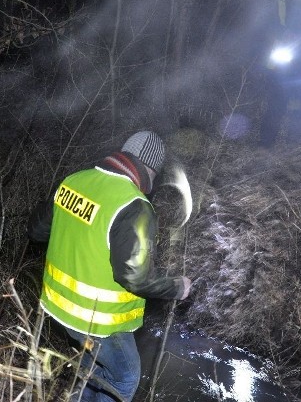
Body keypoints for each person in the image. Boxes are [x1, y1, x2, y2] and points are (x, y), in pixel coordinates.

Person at [28, 131, 192, 402]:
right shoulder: (135, 205)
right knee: (125, 377)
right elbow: (135, 278)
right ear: (150, 169)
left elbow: (36, 230)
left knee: (92, 369)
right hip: (97, 319)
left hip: (57, 306)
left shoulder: (73, 181)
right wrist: (177, 287)